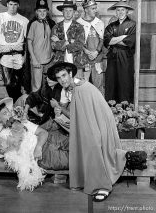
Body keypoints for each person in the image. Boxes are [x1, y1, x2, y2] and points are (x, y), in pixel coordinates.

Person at [47, 61, 126, 201]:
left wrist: (58, 106)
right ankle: (90, 180)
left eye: (64, 75)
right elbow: (76, 115)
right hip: (90, 124)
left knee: (93, 145)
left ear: (70, 74)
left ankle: (102, 186)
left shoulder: (82, 88)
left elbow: (90, 114)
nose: (62, 80)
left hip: (99, 124)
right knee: (85, 145)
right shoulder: (74, 88)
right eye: (59, 78)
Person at [0, 97, 69, 190]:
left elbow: (43, 132)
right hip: (46, 156)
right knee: (78, 161)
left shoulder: (21, 122)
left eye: (8, 111)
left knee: (82, 145)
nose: (9, 114)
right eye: (5, 113)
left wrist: (38, 147)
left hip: (51, 138)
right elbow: (5, 152)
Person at [104, 0, 136, 103]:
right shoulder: (111, 26)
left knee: (125, 83)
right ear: (115, 12)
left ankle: (127, 112)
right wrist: (122, 37)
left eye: (123, 10)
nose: (120, 12)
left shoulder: (133, 24)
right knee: (111, 83)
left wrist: (114, 40)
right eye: (118, 10)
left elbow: (129, 42)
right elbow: (107, 41)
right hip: (112, 57)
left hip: (126, 58)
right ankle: (111, 111)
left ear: (127, 11)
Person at [27, 0, 55, 92]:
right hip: (37, 60)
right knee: (37, 86)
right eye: (39, 11)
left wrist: (53, 54)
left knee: (49, 85)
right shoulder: (33, 24)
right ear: (36, 12)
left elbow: (54, 40)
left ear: (47, 11)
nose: (42, 13)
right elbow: (29, 42)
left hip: (49, 60)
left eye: (44, 11)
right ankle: (35, 107)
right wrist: (34, 59)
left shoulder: (51, 24)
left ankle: (47, 106)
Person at [51, 0, 85, 76]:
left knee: (77, 85)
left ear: (73, 12)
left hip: (77, 63)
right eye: (66, 10)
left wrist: (62, 42)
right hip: (60, 63)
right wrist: (70, 41)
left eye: (70, 10)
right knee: (63, 85)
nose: (68, 13)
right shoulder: (56, 27)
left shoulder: (79, 27)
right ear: (62, 12)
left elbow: (80, 45)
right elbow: (53, 45)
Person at [77, 0, 104, 93]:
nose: (95, 10)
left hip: (97, 59)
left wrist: (96, 52)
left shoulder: (99, 22)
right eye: (93, 8)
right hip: (84, 60)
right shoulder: (78, 23)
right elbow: (77, 41)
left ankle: (99, 107)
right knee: (83, 86)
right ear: (86, 9)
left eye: (95, 8)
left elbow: (102, 39)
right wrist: (85, 50)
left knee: (99, 86)